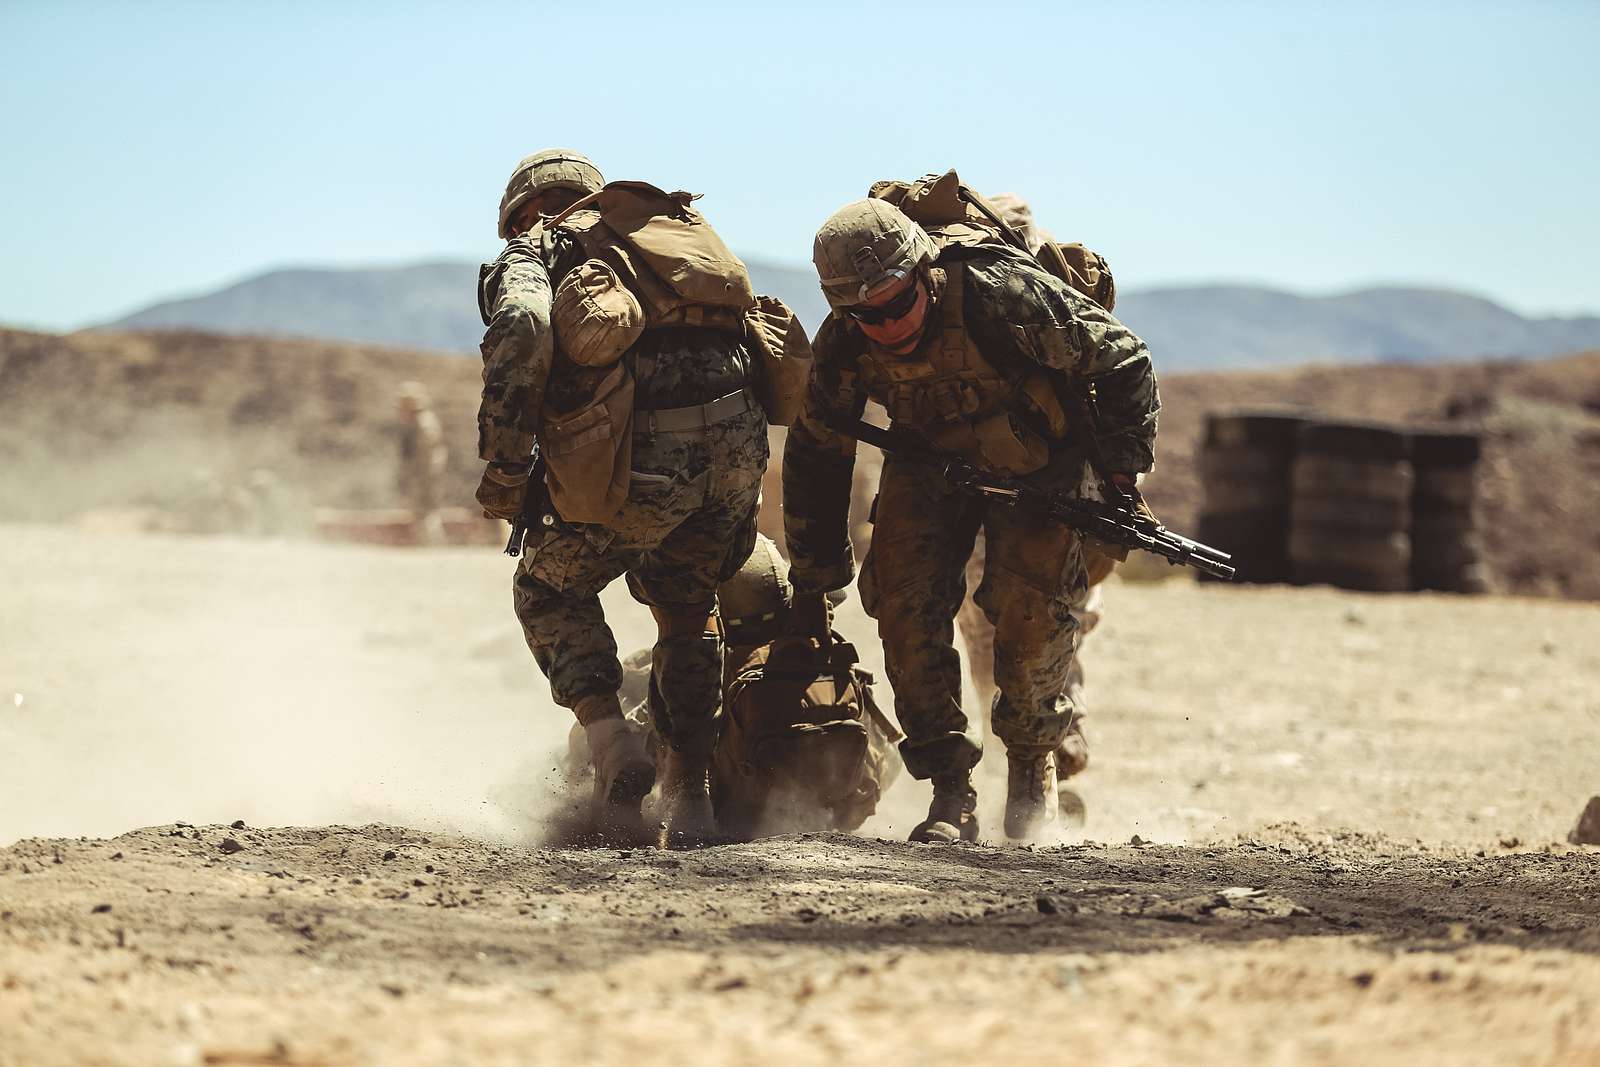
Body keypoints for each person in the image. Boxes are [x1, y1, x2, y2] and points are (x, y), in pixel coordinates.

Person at [783, 180, 1160, 843]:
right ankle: (950, 790)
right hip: (929, 459)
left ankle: (1030, 769)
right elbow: (819, 451)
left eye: (898, 304)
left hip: (1040, 460)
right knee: (902, 603)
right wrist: (817, 574)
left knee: (1032, 611)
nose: (887, 325)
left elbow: (1126, 360)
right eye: (866, 315)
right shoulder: (847, 337)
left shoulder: (998, 292)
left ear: (923, 272)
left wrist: (1119, 474)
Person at [474, 149, 771, 845]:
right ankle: (691, 793)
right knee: (687, 609)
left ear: (523, 211)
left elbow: (521, 325)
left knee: (548, 589)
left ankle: (614, 748)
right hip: (737, 456)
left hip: (641, 466)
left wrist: (507, 464)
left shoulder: (541, 247)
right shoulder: (670, 237)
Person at [564, 534, 901, 840]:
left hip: (728, 818)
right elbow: (885, 763)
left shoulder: (701, 674)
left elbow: (590, 754)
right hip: (830, 815)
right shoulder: (819, 666)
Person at [395, 381, 448, 544]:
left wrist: (418, 477)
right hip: (425, 474)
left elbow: (425, 455)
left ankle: (432, 543)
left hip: (425, 475)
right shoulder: (420, 422)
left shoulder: (423, 423)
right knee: (423, 510)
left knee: (425, 511)